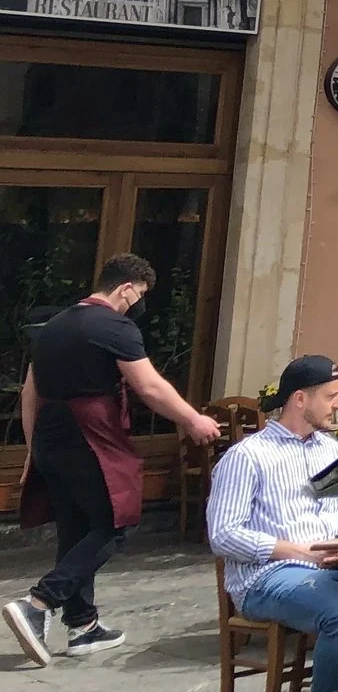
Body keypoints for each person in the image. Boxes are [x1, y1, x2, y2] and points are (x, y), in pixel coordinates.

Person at [6, 253, 222, 667]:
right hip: (91, 435)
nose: (135, 306)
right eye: (137, 296)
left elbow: (29, 393)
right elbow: (150, 387)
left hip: (51, 435)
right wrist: (194, 419)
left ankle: (83, 625)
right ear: (125, 287)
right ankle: (38, 603)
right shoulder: (113, 325)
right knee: (118, 522)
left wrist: (34, 450)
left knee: (77, 529)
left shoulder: (52, 326)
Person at [205, 355, 338, 692]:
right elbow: (223, 534)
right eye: (331, 397)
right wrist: (298, 551)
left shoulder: (332, 449)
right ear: (300, 399)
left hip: (331, 569)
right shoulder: (247, 456)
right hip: (267, 577)